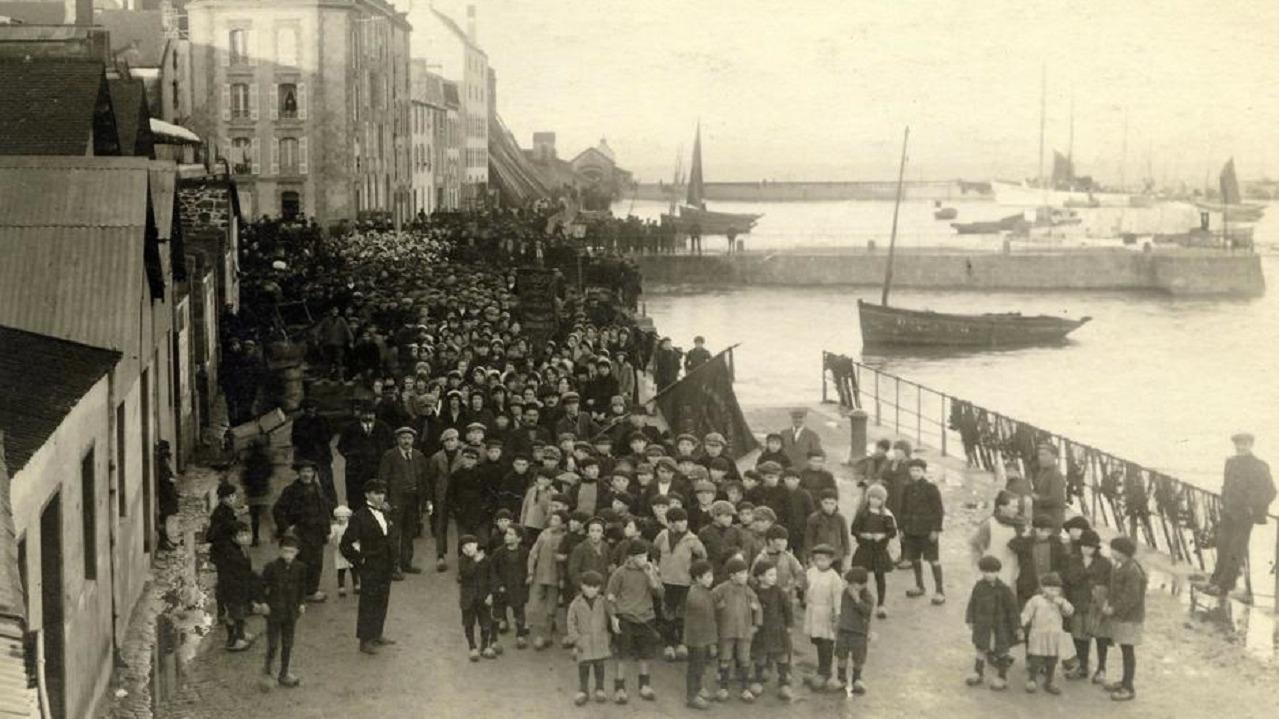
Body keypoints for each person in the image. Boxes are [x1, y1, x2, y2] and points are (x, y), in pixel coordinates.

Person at [1206, 432, 1275, 597]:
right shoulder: (1230, 463)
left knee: (1235, 550)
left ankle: (1224, 587)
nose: (1240, 447)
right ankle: (1214, 581)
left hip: (1244, 515)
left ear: (1251, 445)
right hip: (1228, 512)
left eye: (1244, 444)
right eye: (1238, 444)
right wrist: (1224, 500)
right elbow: (1227, 485)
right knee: (1222, 546)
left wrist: (1252, 507)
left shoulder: (1259, 466)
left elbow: (1271, 491)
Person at [340, 480, 396, 655]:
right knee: (368, 601)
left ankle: (377, 634)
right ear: (367, 495)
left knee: (382, 598)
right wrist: (360, 560)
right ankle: (365, 640)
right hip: (370, 564)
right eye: (376, 493)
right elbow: (345, 544)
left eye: (382, 493)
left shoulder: (385, 512)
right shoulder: (359, 516)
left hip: (386, 563)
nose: (380, 496)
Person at [606, 539, 664, 703]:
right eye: (639, 557)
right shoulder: (620, 573)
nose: (643, 560)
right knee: (622, 655)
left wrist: (651, 576)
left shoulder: (650, 570)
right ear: (630, 557)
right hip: (625, 618)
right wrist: (613, 617)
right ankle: (620, 688)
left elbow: (660, 595)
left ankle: (644, 685)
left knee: (645, 654)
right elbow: (609, 597)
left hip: (646, 618)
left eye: (645, 556)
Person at [272, 459, 334, 602]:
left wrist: (327, 530)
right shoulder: (291, 490)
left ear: (313, 474)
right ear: (298, 473)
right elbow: (278, 510)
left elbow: (324, 510)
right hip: (301, 533)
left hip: (317, 533)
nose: (307, 475)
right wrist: (287, 528)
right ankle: (299, 593)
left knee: (316, 562)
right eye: (304, 471)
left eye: (310, 471)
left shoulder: (317, 488)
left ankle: (311, 591)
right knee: (301, 562)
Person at [654, 507, 707, 660]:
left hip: (685, 583)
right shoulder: (662, 536)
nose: (682, 524)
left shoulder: (692, 539)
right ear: (669, 523)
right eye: (677, 522)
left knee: (682, 614)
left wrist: (695, 574)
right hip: (666, 582)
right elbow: (655, 551)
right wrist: (657, 567)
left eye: (684, 521)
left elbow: (702, 556)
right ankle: (669, 645)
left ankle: (682, 645)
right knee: (667, 614)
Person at [378, 426, 429, 576]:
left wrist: (425, 500)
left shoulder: (419, 456)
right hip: (396, 500)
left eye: (409, 438)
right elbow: (383, 478)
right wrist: (384, 500)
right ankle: (393, 567)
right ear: (398, 440)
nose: (406, 441)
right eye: (403, 438)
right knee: (394, 533)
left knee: (409, 532)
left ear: (413, 440)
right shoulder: (390, 456)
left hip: (413, 500)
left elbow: (424, 480)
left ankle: (406, 563)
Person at [1062, 529, 1112, 683]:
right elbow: (1068, 580)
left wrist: (1108, 603)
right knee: (1078, 635)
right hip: (1078, 601)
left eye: (1090, 546)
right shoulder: (1073, 559)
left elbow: (1110, 584)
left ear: (1096, 548)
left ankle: (1101, 668)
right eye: (1083, 545)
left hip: (1097, 604)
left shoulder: (1104, 563)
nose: (1086, 548)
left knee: (1100, 637)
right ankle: (1083, 666)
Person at [964, 555, 1020, 691]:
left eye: (993, 571)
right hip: (983, 626)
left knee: (1001, 651)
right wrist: (970, 619)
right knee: (980, 649)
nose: (989, 574)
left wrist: (1017, 627)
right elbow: (972, 604)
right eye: (986, 571)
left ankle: (1002, 677)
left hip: (999, 627)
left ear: (998, 572)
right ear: (982, 572)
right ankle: (978, 672)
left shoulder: (1004, 590)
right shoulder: (978, 587)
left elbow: (1013, 610)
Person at [1102, 537, 1146, 702]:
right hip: (1122, 616)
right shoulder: (1119, 565)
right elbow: (1114, 589)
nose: (1111, 551)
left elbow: (1131, 597)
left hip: (1131, 617)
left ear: (1122, 552)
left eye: (1113, 549)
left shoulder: (1133, 570)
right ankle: (1124, 682)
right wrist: (1108, 602)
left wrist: (1113, 608)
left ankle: (1128, 687)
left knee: (1128, 651)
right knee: (1124, 649)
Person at [712, 556, 761, 702]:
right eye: (742, 574)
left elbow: (758, 608)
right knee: (725, 658)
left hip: (745, 631)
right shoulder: (722, 588)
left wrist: (756, 625)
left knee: (745, 659)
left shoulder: (749, 590)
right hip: (726, 630)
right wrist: (717, 607)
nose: (745, 576)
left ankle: (745, 689)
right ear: (732, 576)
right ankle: (723, 688)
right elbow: (710, 600)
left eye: (746, 573)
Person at [261, 536, 308, 687]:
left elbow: (302, 588)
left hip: (291, 612)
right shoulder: (271, 567)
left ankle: (284, 673)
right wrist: (263, 603)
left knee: (288, 643)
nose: (288, 555)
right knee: (273, 643)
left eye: (292, 552)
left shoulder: (300, 568)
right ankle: (267, 671)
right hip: (274, 612)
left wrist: (302, 603)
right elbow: (261, 587)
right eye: (285, 551)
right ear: (280, 551)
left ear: (297, 552)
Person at [900, 458, 945, 605]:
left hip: (927, 531)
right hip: (911, 530)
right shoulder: (907, 488)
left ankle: (939, 591)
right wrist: (901, 528)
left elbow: (939, 511)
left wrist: (936, 529)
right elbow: (903, 509)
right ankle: (919, 586)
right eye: (912, 470)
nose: (915, 473)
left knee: (933, 560)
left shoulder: (931, 488)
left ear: (924, 472)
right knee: (915, 558)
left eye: (918, 470)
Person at [1020, 571, 1074, 695]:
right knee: (1036, 658)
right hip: (1039, 634)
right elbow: (1027, 613)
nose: (1053, 592)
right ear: (1043, 588)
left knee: (1052, 659)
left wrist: (1062, 603)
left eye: (1056, 589)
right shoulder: (1036, 600)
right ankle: (1032, 679)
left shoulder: (1061, 601)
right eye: (1050, 589)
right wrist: (1021, 624)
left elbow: (1070, 612)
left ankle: (1049, 681)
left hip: (1054, 635)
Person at [749, 561, 795, 701]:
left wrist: (789, 625)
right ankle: (758, 680)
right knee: (761, 655)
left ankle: (784, 683)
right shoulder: (754, 592)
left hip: (778, 629)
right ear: (760, 577)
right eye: (770, 575)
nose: (774, 577)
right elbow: (750, 610)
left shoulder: (779, 592)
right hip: (762, 630)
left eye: (774, 574)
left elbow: (787, 609)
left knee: (782, 655)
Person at [850, 483, 895, 618]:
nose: (875, 501)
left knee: (880, 576)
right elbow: (854, 529)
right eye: (872, 497)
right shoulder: (862, 513)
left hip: (879, 550)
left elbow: (892, 532)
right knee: (861, 576)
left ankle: (881, 605)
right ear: (868, 498)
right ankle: (860, 601)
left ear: (883, 500)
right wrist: (863, 535)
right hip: (865, 549)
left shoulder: (886, 515)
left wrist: (883, 536)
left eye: (878, 499)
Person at [567, 570, 612, 706]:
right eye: (588, 586)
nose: (592, 590)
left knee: (599, 665)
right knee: (584, 665)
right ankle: (583, 690)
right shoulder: (576, 603)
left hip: (600, 638)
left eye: (595, 587)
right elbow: (571, 622)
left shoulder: (603, 602)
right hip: (583, 640)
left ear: (599, 588)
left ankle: (599, 688)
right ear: (582, 585)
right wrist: (575, 638)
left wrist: (609, 636)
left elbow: (611, 617)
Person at [336, 405, 394, 507]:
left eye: (371, 413)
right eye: (365, 413)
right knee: (356, 497)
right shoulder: (350, 428)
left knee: (377, 493)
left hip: (377, 467)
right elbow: (342, 446)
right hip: (356, 469)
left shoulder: (383, 427)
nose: (368, 416)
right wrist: (352, 457)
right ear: (360, 414)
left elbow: (390, 445)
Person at [803, 544, 843, 691]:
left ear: (831, 560)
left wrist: (837, 614)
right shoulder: (811, 572)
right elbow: (806, 587)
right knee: (818, 640)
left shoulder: (834, 578)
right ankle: (820, 670)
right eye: (817, 559)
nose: (820, 562)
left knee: (827, 641)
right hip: (813, 611)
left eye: (824, 559)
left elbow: (837, 598)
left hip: (826, 612)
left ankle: (825, 672)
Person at [968, 490, 1022, 593]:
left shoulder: (1019, 525)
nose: (1016, 510)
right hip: (991, 576)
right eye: (1013, 507)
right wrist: (979, 572)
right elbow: (975, 547)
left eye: (1017, 506)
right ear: (1001, 507)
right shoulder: (989, 525)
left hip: (1011, 575)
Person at [527, 509, 567, 650]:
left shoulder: (564, 538)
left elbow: (565, 559)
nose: (553, 522)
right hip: (540, 575)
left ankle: (547, 634)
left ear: (563, 524)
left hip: (555, 577)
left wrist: (562, 577)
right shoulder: (544, 534)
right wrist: (531, 572)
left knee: (551, 605)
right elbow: (533, 553)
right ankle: (537, 633)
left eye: (557, 520)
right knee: (535, 603)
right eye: (552, 519)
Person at [682, 559, 718, 710]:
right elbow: (705, 616)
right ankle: (691, 696)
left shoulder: (704, 592)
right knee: (695, 667)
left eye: (711, 576)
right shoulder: (695, 594)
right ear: (698, 578)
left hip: (703, 637)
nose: (711, 579)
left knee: (700, 665)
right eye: (708, 576)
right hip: (696, 638)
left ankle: (698, 689)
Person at [427, 427, 464, 570]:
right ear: (443, 443)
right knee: (440, 526)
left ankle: (462, 555)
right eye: (447, 441)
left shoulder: (463, 456)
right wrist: (430, 498)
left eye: (453, 440)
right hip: (441, 496)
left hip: (458, 496)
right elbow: (431, 479)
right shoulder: (436, 458)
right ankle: (440, 556)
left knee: (460, 526)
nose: (450, 443)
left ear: (457, 441)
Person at [219, 522, 258, 652]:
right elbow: (234, 574)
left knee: (239, 612)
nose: (245, 538)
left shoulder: (242, 548)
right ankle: (234, 640)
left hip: (240, 587)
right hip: (233, 589)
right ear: (233, 538)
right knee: (236, 614)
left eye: (246, 534)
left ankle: (240, 634)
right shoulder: (231, 553)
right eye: (240, 535)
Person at [835, 566, 873, 695]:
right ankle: (841, 678)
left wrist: (857, 599)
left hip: (859, 633)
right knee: (841, 655)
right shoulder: (845, 593)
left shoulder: (867, 596)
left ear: (863, 584)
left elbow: (867, 611)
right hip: (844, 629)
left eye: (853, 584)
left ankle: (857, 678)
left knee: (858, 658)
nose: (850, 586)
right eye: (849, 583)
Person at [458, 534, 496, 661]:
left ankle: (485, 646)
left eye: (470, 545)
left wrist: (491, 594)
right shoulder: (462, 561)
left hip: (483, 598)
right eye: (464, 547)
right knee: (469, 623)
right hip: (468, 599)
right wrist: (474, 561)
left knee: (485, 622)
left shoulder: (487, 560)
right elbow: (466, 574)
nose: (467, 549)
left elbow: (492, 578)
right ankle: (472, 647)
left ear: (476, 545)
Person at [490, 524, 529, 647]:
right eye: (507, 533)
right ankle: (497, 632)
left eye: (511, 534)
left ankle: (520, 635)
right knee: (498, 610)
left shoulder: (525, 553)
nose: (507, 536)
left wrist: (528, 578)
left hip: (518, 587)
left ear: (519, 539)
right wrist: (498, 584)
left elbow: (529, 568)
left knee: (519, 611)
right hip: (502, 587)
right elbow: (492, 570)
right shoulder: (498, 553)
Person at [291, 399, 335, 502]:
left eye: (313, 408)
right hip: (307, 457)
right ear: (305, 410)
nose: (311, 411)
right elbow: (295, 441)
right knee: (307, 484)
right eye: (308, 409)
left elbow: (329, 435)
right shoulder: (299, 422)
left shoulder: (323, 420)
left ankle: (332, 508)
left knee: (327, 484)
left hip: (322, 456)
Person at [804, 489, 850, 569]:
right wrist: (810, 559)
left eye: (832, 503)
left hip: (836, 558)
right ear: (821, 502)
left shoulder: (840, 519)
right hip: (819, 558)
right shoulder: (814, 519)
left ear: (836, 503)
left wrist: (846, 558)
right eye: (826, 503)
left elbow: (845, 538)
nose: (829, 506)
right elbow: (809, 540)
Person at [1031, 443, 1068, 531]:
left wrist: (1037, 498)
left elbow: (1056, 499)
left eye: (1044, 455)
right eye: (1039, 455)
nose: (1040, 457)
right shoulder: (1042, 472)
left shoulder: (1056, 475)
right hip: (1041, 517)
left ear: (1053, 456)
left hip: (1052, 519)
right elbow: (1037, 489)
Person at [330, 505, 358, 597]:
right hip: (340, 551)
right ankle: (341, 587)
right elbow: (331, 536)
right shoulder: (335, 527)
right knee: (341, 569)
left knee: (353, 568)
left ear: (347, 517)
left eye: (343, 517)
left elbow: (356, 535)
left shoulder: (351, 526)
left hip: (350, 549)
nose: (341, 519)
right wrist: (331, 539)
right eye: (339, 517)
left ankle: (356, 584)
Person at [156, 441, 179, 551]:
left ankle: (166, 539)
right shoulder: (160, 463)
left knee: (165, 518)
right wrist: (170, 479)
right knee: (163, 518)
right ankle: (163, 541)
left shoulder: (163, 462)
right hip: (164, 494)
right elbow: (163, 478)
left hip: (167, 493)